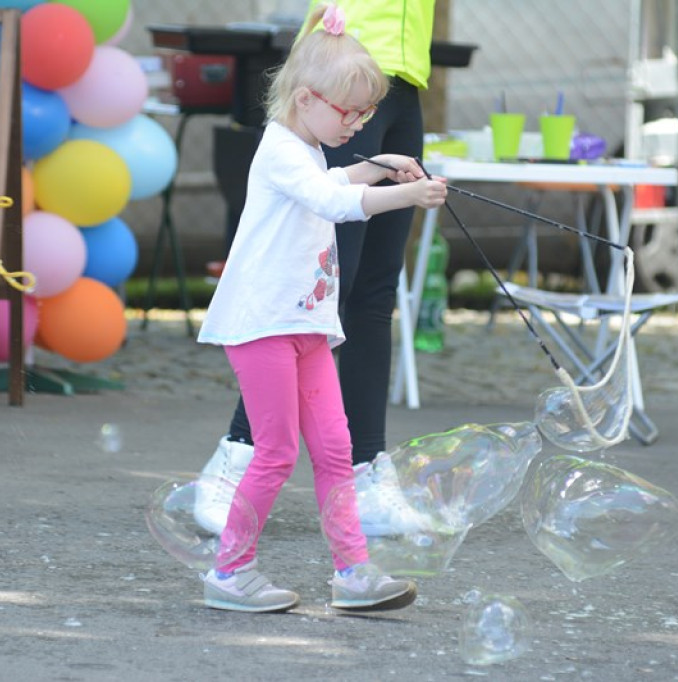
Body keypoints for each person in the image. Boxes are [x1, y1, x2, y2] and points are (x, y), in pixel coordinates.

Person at [195, 3, 447, 614]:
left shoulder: (308, 148)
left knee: (335, 450)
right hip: (263, 327)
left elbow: (331, 183)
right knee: (277, 451)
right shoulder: (279, 148)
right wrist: (408, 194)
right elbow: (332, 203)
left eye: (365, 114)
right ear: (306, 99)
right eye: (349, 113)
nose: (358, 124)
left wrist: (379, 166)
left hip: (306, 327)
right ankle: (229, 571)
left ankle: (353, 572)